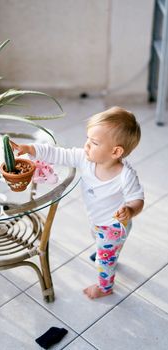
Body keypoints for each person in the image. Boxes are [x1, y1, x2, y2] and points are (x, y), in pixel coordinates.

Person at [11, 106, 144, 299]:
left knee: (104, 262)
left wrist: (130, 210)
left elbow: (137, 199)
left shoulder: (126, 176)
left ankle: (105, 287)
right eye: (88, 139)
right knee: (101, 242)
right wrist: (31, 149)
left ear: (115, 152)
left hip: (114, 227)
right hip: (97, 221)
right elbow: (59, 154)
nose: (86, 145)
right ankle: (106, 251)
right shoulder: (85, 158)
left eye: (94, 142)